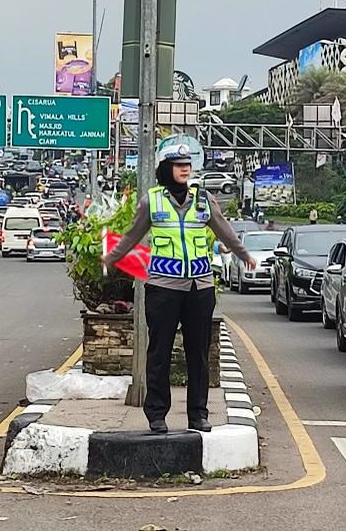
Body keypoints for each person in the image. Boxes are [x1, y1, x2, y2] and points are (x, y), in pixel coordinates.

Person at [104, 144, 255, 434]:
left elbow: (225, 230)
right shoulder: (153, 201)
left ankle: (198, 414)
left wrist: (244, 255)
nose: (185, 169)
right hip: (163, 286)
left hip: (200, 286)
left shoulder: (204, 199)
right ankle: (157, 414)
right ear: (166, 169)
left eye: (187, 164)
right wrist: (111, 258)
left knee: (197, 353)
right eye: (178, 164)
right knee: (159, 351)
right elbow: (132, 236)